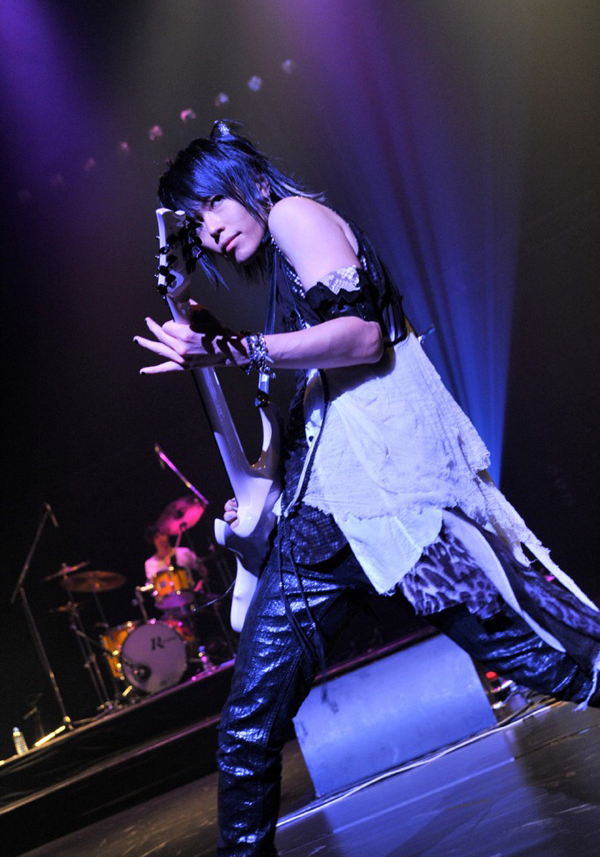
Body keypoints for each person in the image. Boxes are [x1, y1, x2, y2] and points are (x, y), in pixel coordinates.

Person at [134, 120, 600, 856]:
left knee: (542, 652)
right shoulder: (279, 271)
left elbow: (361, 338)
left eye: (212, 205)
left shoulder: (295, 214)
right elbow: (308, 382)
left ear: (246, 181)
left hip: (392, 502)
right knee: (248, 724)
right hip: (319, 526)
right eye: (194, 224)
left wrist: (226, 347)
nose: (211, 230)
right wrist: (256, 478)